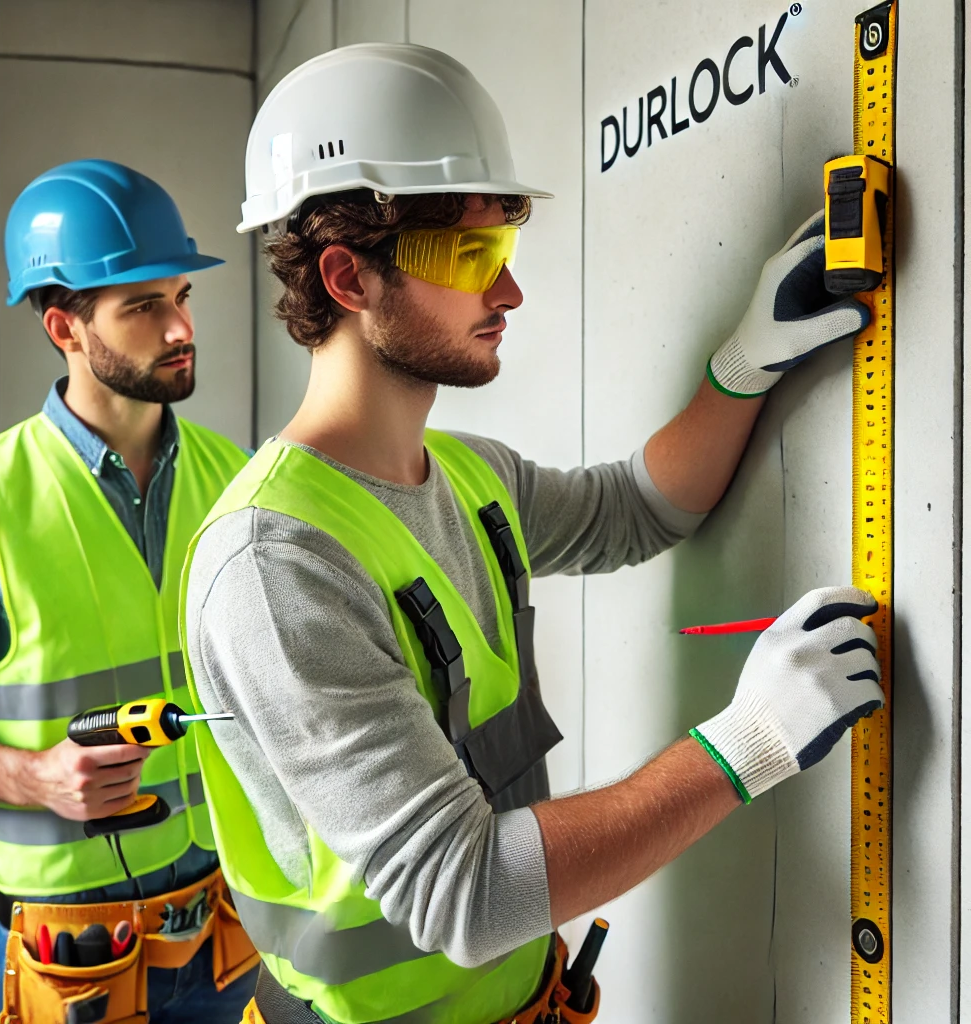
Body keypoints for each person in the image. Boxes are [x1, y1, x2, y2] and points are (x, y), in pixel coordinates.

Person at [181, 45, 883, 1024]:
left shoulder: (471, 476)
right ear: (346, 277)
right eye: (471, 258)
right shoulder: (274, 564)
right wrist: (749, 743)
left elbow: (638, 509)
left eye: (504, 253)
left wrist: (742, 363)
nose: (507, 295)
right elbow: (462, 893)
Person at [0, 159, 258, 1024]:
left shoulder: (241, 481)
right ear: (65, 327)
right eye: (142, 306)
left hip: (231, 932)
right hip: (67, 967)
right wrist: (34, 778)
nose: (179, 326)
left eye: (181, 296)